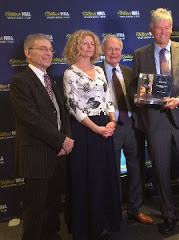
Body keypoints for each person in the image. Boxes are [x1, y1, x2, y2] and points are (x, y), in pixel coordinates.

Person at [131, 8, 179, 236]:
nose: (163, 32)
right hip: (155, 122)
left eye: (167, 27)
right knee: (161, 171)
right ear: (151, 29)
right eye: (158, 27)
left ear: (171, 29)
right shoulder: (139, 54)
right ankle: (169, 216)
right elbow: (137, 90)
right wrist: (139, 98)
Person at [10, 33, 74, 240]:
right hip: (36, 157)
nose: (48, 53)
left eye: (50, 49)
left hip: (57, 155)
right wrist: (61, 140)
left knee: (52, 207)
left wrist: (66, 140)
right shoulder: (20, 82)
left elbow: (61, 115)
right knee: (35, 210)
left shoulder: (51, 81)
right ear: (28, 53)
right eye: (43, 49)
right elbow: (32, 120)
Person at [63, 30, 121, 240]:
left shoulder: (98, 70)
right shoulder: (70, 73)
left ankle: (104, 223)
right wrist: (96, 129)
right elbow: (74, 107)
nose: (89, 47)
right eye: (84, 43)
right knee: (88, 177)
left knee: (104, 176)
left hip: (105, 126)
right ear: (75, 46)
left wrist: (112, 120)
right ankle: (88, 227)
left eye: (91, 44)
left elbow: (107, 98)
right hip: (85, 130)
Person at [99, 35, 153, 224]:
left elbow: (140, 97)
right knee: (110, 172)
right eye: (110, 49)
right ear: (103, 52)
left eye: (117, 49)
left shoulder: (129, 72)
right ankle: (111, 213)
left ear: (122, 52)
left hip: (132, 126)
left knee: (136, 169)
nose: (114, 53)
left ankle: (135, 209)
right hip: (109, 129)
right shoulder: (95, 73)